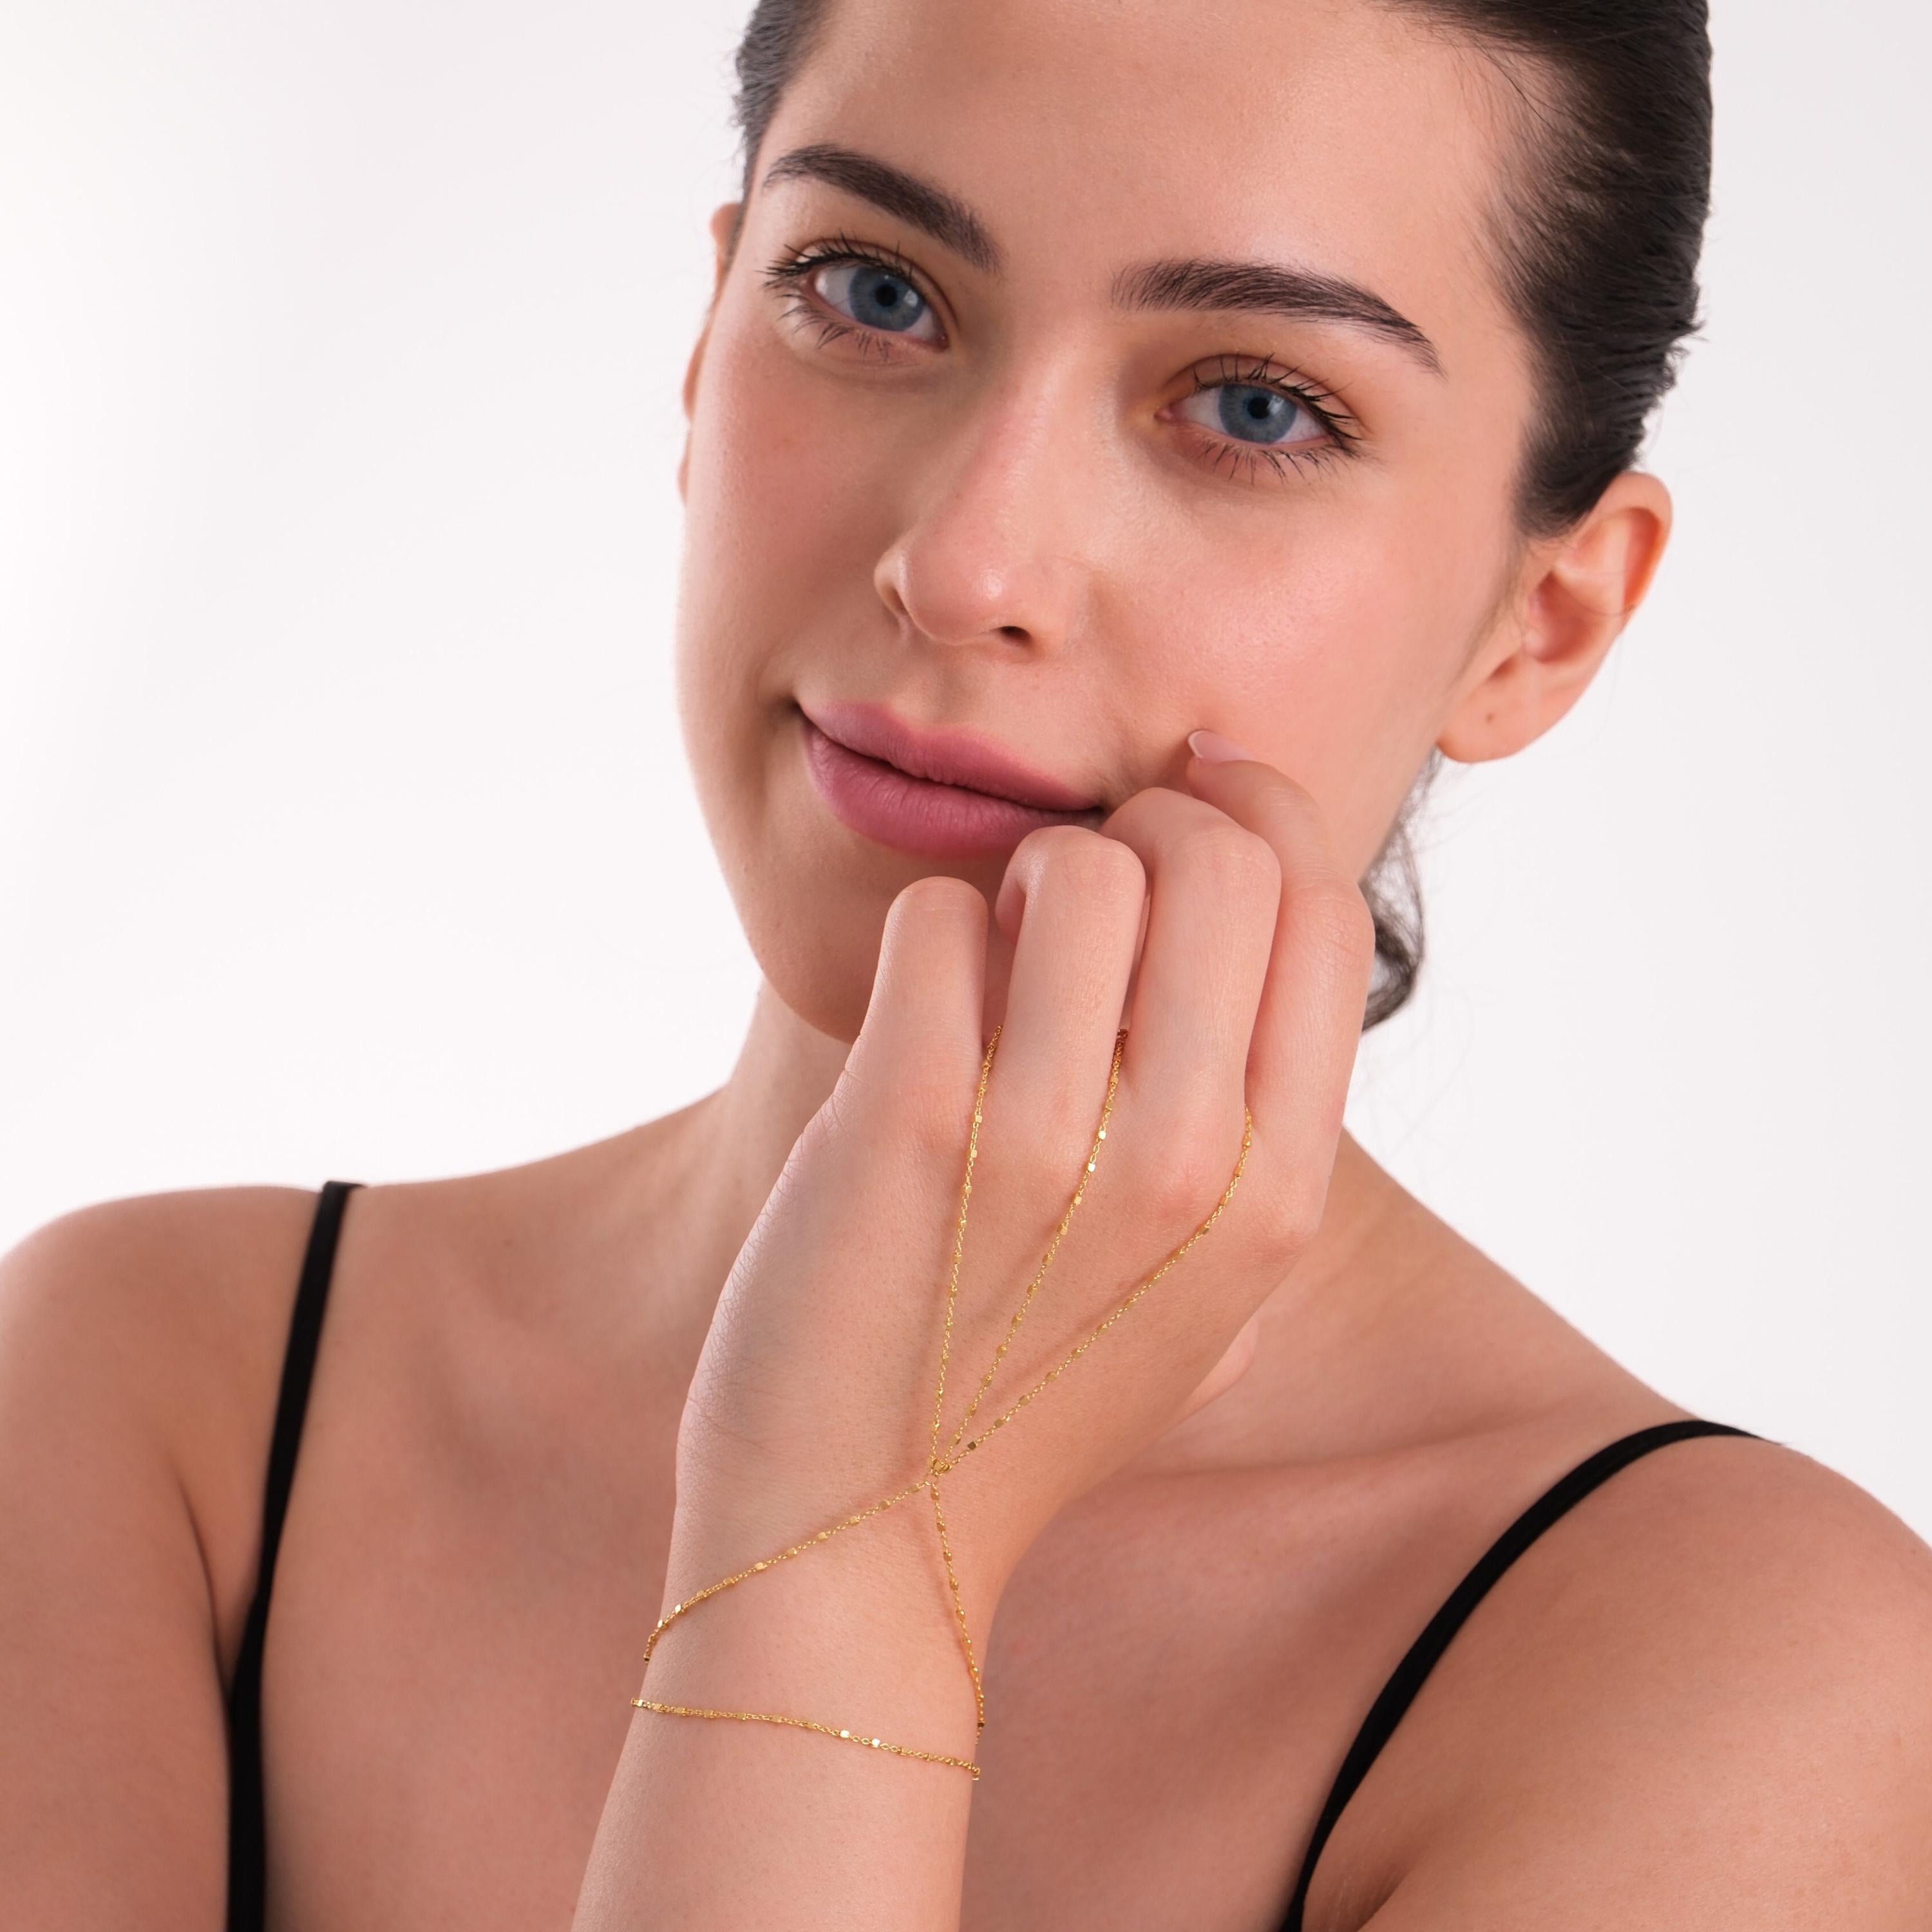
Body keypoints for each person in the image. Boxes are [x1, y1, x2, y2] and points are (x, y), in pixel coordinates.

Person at [3, 0, 1929, 1924]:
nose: (964, 566)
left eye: (1256, 408)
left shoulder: (1739, 1686)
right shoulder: (156, 1397)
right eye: (874, 294)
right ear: (707, 338)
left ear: (1545, 620)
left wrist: (853, 1544)